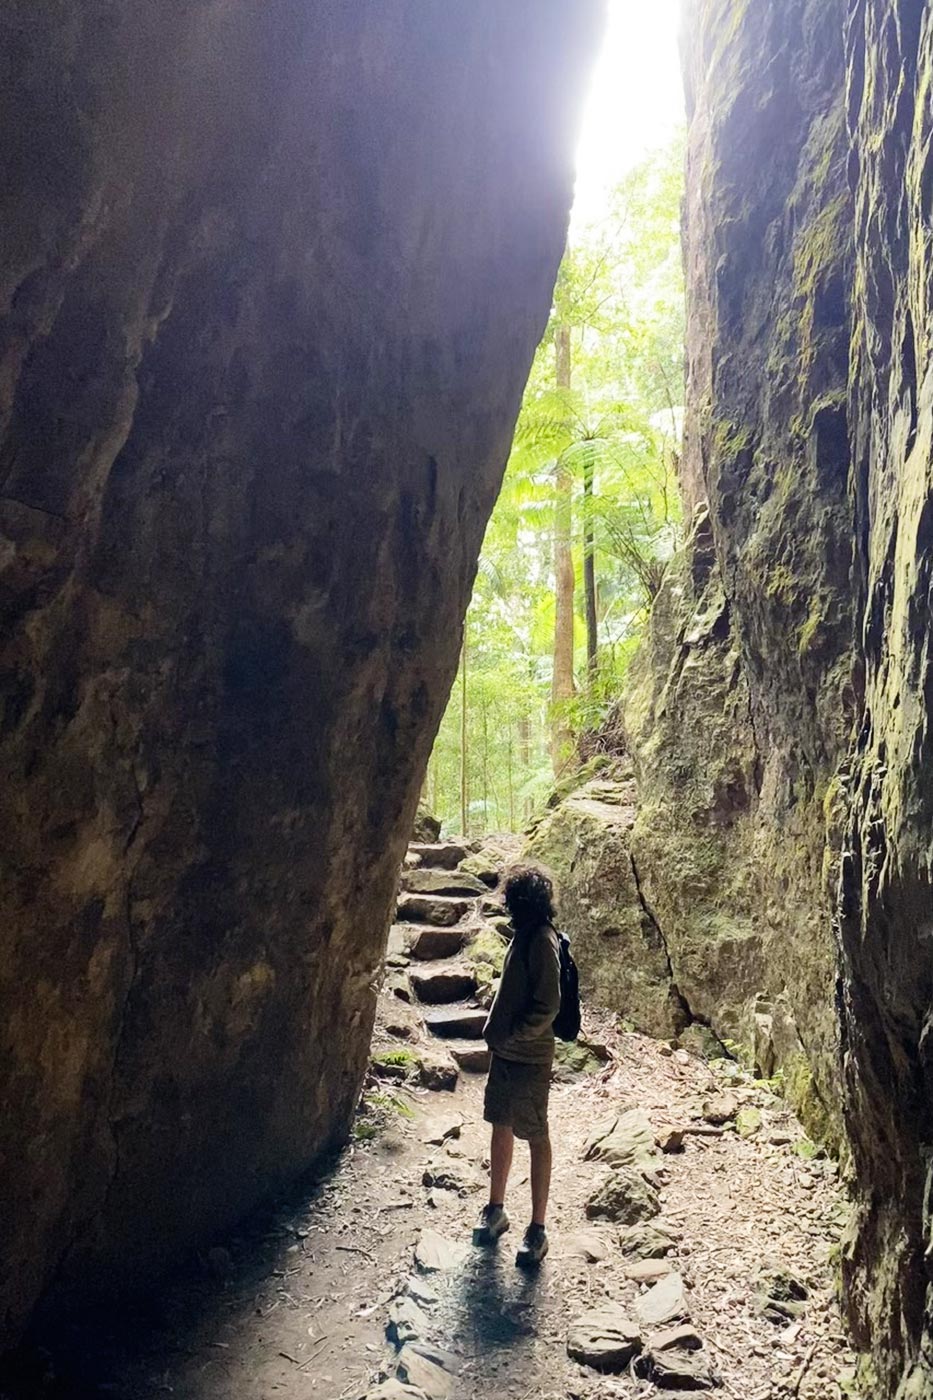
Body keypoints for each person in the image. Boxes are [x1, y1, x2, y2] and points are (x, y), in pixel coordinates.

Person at [475, 862, 561, 1267]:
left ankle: (537, 1229)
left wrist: (515, 1035)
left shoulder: (542, 939)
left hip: (528, 1057)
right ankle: (496, 1210)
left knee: (536, 1134)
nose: (507, 903)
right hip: (508, 1053)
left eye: (510, 897)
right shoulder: (525, 934)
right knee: (501, 1123)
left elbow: (548, 1005)